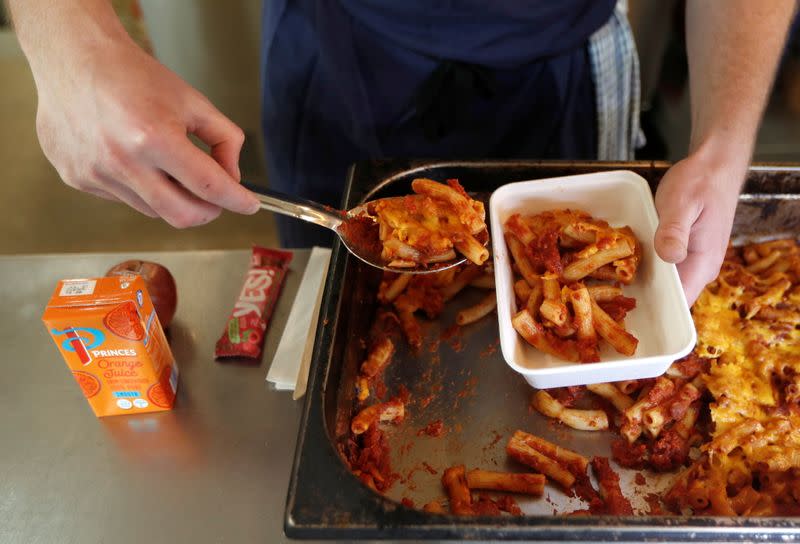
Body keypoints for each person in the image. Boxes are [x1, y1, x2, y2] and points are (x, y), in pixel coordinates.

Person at [6, 0, 795, 305]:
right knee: (338, 310)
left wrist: (726, 140)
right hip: (340, 47)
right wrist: (68, 40)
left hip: (557, 60)